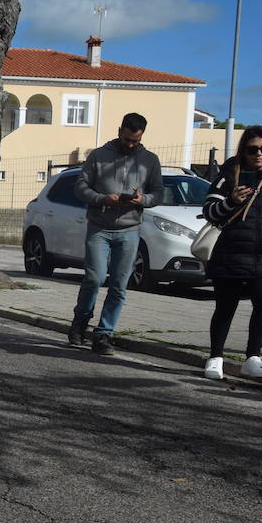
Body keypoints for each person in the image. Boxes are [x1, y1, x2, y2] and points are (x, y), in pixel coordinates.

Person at [66, 113, 163, 356]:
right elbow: (80, 187)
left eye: (136, 141)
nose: (131, 144)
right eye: (127, 139)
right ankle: (80, 322)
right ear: (120, 130)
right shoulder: (99, 155)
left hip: (130, 229)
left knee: (119, 285)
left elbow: (159, 192)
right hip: (99, 227)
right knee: (95, 278)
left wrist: (144, 199)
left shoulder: (150, 160)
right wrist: (102, 198)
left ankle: (104, 334)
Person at [201, 125, 262, 381]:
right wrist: (231, 201)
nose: (259, 154)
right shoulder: (231, 171)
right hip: (231, 253)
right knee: (225, 307)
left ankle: (253, 358)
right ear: (244, 150)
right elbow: (209, 210)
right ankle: (215, 357)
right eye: (253, 149)